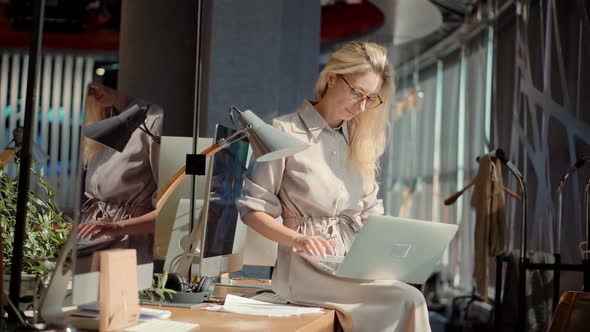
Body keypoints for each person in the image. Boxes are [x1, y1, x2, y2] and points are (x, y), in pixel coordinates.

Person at [236, 42, 431, 331]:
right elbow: (252, 210)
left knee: (408, 289)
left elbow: (372, 211)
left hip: (351, 262)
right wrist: (296, 240)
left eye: (370, 99)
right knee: (407, 299)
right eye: (357, 93)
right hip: (306, 268)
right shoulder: (283, 132)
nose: (361, 106)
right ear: (331, 78)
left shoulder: (358, 141)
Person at [77, 82, 162, 266]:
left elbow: (169, 208)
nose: (92, 89)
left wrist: (117, 226)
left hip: (126, 245)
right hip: (92, 241)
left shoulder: (153, 121)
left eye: (99, 82)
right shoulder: (104, 121)